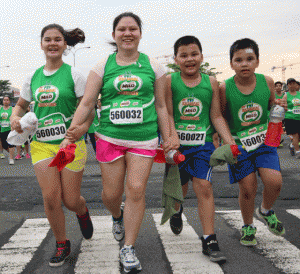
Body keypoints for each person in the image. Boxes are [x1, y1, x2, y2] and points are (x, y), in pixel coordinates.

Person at [63, 12, 178, 273]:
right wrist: (71, 131)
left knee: (136, 189)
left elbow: (161, 105)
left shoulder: (153, 66)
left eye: (133, 29)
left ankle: (129, 247)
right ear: (114, 34)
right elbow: (87, 102)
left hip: (144, 138)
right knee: (112, 195)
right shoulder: (102, 65)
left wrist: (169, 136)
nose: (128, 33)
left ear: (140, 33)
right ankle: (117, 215)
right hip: (109, 138)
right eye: (122, 29)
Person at [10, 23, 94, 267]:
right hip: (42, 145)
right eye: (48, 39)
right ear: (41, 44)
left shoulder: (75, 75)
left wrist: (83, 128)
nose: (53, 43)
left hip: (69, 144)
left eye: (58, 39)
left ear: (65, 44)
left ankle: (82, 210)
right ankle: (62, 242)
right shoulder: (32, 77)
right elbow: (20, 106)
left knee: (70, 199)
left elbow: (87, 107)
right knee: (51, 198)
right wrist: (15, 118)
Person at [165, 35, 236, 263]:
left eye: (194, 54)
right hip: (177, 146)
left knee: (204, 186)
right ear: (175, 59)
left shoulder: (211, 82)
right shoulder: (169, 81)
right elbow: (166, 113)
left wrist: (229, 141)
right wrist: (171, 135)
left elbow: (216, 115)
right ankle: (177, 211)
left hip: (203, 146)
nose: (189, 59)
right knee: (180, 191)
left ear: (202, 57)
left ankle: (209, 238)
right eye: (183, 55)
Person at [219, 38, 286, 246]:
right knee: (247, 188)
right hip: (239, 145)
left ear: (257, 61)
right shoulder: (224, 88)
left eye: (249, 59)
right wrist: (226, 142)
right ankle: (248, 225)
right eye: (238, 60)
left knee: (275, 183)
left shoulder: (266, 81)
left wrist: (279, 105)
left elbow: (272, 106)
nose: (244, 64)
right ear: (231, 64)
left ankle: (265, 210)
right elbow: (219, 115)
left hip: (265, 143)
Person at [284, 78, 300, 158]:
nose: (292, 85)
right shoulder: (286, 95)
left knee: (298, 136)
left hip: (299, 117)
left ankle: (292, 145)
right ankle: (298, 152)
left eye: (294, 83)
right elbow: (283, 107)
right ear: (288, 86)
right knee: (295, 135)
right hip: (290, 118)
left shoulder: (299, 94)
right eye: (290, 84)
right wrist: (287, 108)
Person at [0, 95, 16, 164]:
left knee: (11, 144)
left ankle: (11, 158)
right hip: (2, 129)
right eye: (4, 100)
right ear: (2, 101)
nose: (5, 101)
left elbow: (15, 117)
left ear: (9, 101)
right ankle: (11, 153)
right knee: (4, 145)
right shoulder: (0, 108)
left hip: (10, 129)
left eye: (7, 100)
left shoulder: (12, 109)